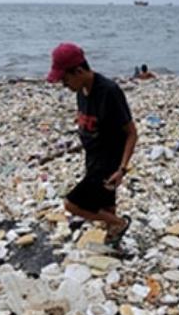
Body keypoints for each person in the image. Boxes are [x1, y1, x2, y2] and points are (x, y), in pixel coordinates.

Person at [46, 42, 137, 245]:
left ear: (78, 71)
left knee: (72, 204)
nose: (64, 85)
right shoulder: (81, 90)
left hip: (107, 163)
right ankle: (114, 241)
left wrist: (122, 169)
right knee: (105, 209)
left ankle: (120, 223)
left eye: (65, 79)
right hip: (93, 158)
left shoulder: (109, 91)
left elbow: (132, 134)